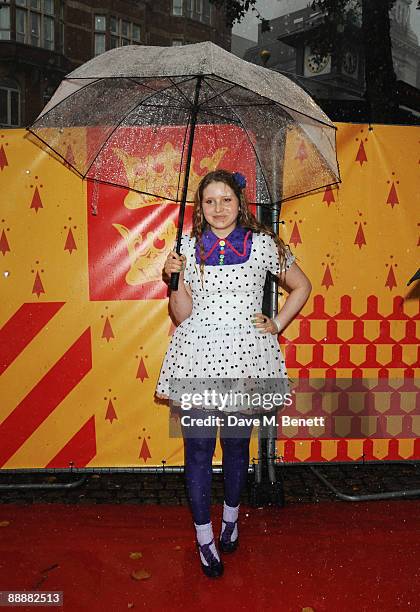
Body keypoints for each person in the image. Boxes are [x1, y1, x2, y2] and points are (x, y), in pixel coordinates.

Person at [155, 169, 312, 578]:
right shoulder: (185, 248)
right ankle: (204, 537)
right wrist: (174, 279)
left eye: (226, 199)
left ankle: (231, 518)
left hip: (248, 358)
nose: (218, 208)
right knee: (199, 452)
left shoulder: (263, 244)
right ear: (200, 209)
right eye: (210, 201)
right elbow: (181, 313)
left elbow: (302, 286)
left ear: (240, 203)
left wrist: (276, 324)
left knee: (239, 449)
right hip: (198, 355)